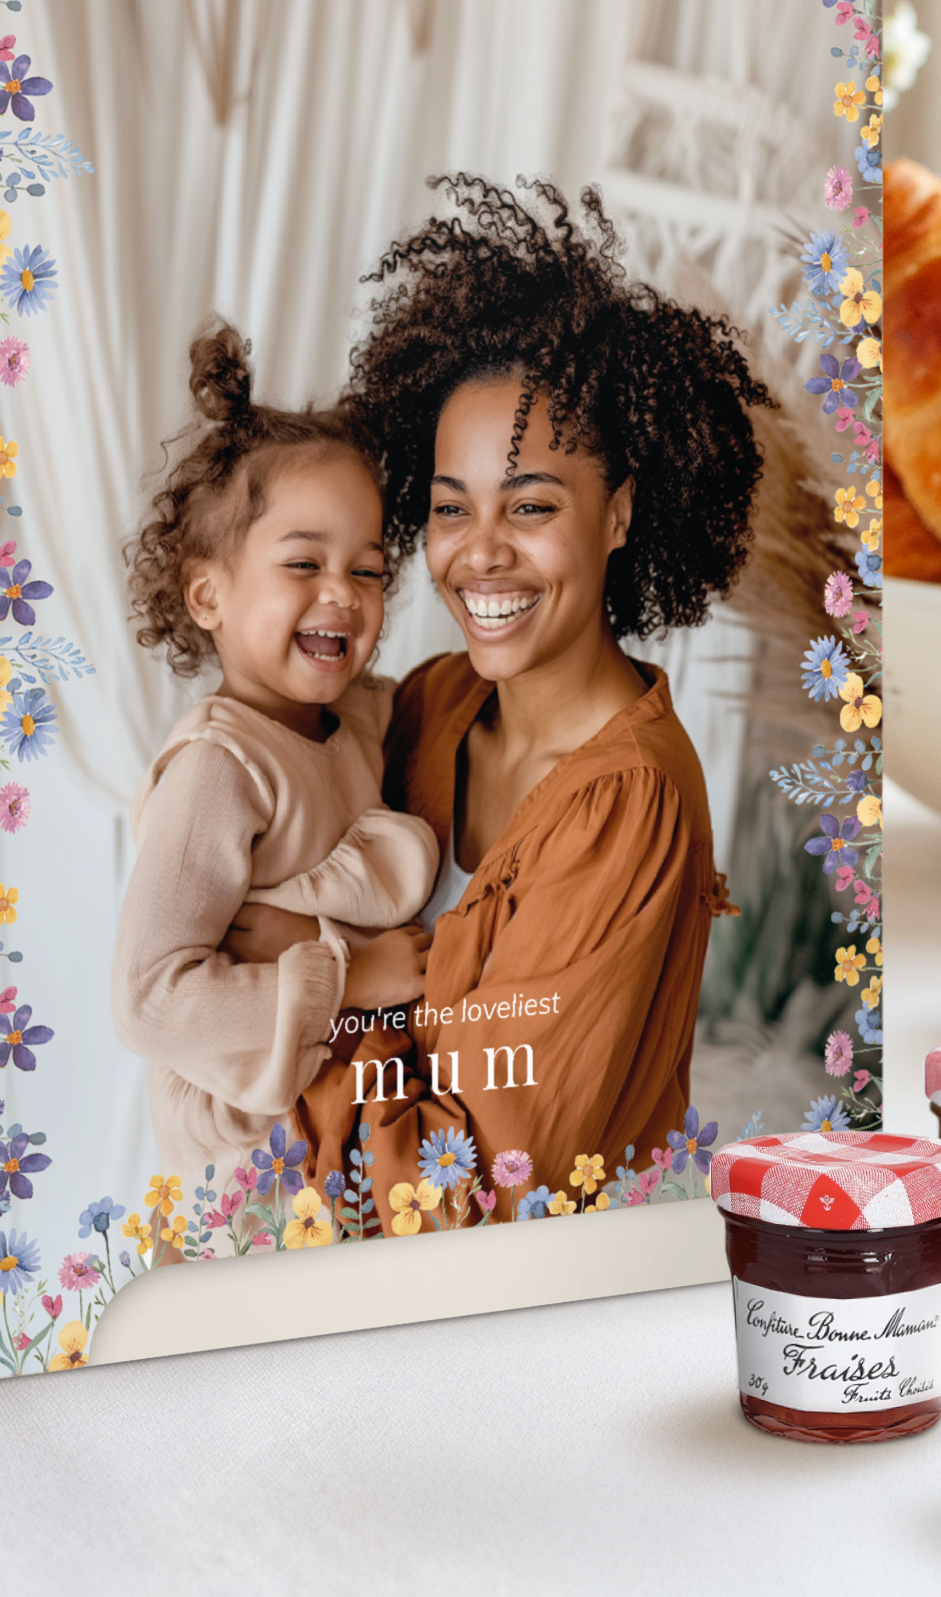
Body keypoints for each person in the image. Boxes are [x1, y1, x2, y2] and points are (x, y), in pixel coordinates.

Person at [298, 174, 773, 1222]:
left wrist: (297, 1016)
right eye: (450, 508)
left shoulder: (627, 806)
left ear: (619, 514)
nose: (479, 553)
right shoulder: (430, 702)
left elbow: (471, 1184)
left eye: (532, 504)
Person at [110, 321, 440, 1214]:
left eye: (367, 571)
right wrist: (347, 980)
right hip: (244, 1151)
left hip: (341, 1122)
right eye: (304, 563)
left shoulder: (360, 719)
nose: (342, 592)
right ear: (209, 593)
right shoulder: (220, 767)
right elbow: (146, 1000)